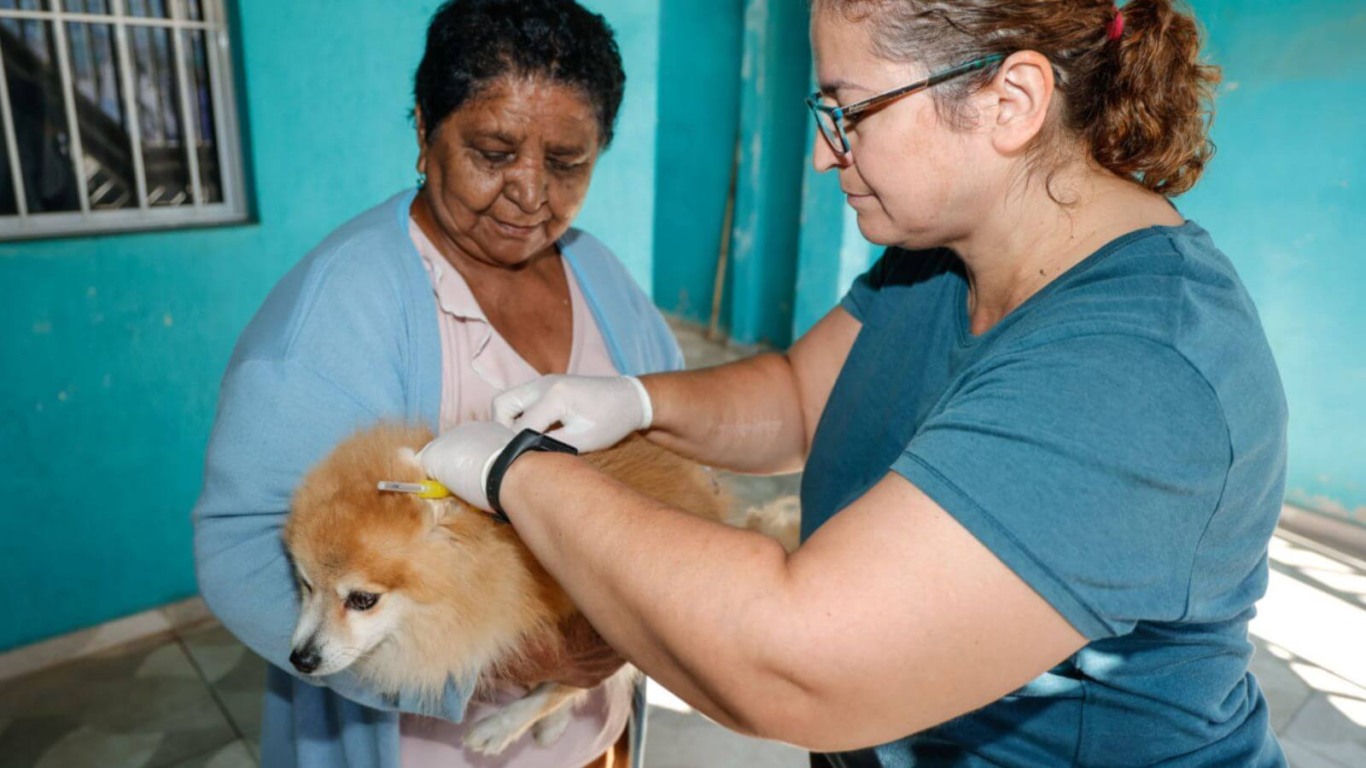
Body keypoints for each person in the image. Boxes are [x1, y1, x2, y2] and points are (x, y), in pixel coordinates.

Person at [418, 0, 1291, 765]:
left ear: (1010, 102)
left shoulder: (1137, 367)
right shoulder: (936, 257)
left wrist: (521, 474)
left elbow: (796, 661)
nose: (824, 156)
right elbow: (803, 395)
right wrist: (638, 402)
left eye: (851, 110)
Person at [192, 1, 676, 766]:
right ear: (425, 131)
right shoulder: (340, 309)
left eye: (566, 163)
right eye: (492, 151)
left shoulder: (602, 280)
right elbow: (237, 549)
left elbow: (669, 452)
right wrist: (512, 656)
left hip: (590, 736)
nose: (529, 194)